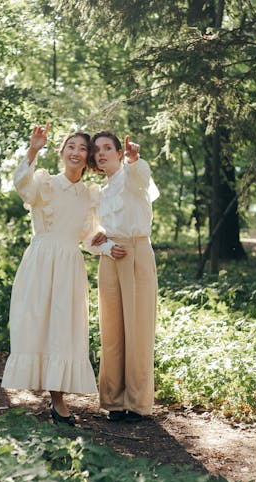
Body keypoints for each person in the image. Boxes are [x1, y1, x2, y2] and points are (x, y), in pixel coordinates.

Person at [1, 122, 117, 426]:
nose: (76, 153)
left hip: (69, 266)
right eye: (71, 147)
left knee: (64, 328)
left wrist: (108, 246)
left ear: (88, 157)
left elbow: (92, 237)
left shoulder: (91, 196)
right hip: (40, 261)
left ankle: (58, 398)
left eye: (82, 148)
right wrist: (33, 148)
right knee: (38, 323)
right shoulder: (45, 183)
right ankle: (45, 391)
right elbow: (21, 185)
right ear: (62, 152)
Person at [91, 131, 159, 423]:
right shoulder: (99, 193)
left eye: (109, 148)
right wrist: (105, 246)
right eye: (97, 150)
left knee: (138, 329)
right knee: (112, 331)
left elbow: (142, 178)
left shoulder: (132, 176)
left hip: (137, 255)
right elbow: (89, 235)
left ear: (120, 153)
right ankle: (114, 402)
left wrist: (135, 159)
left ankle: (138, 402)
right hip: (110, 259)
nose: (102, 153)